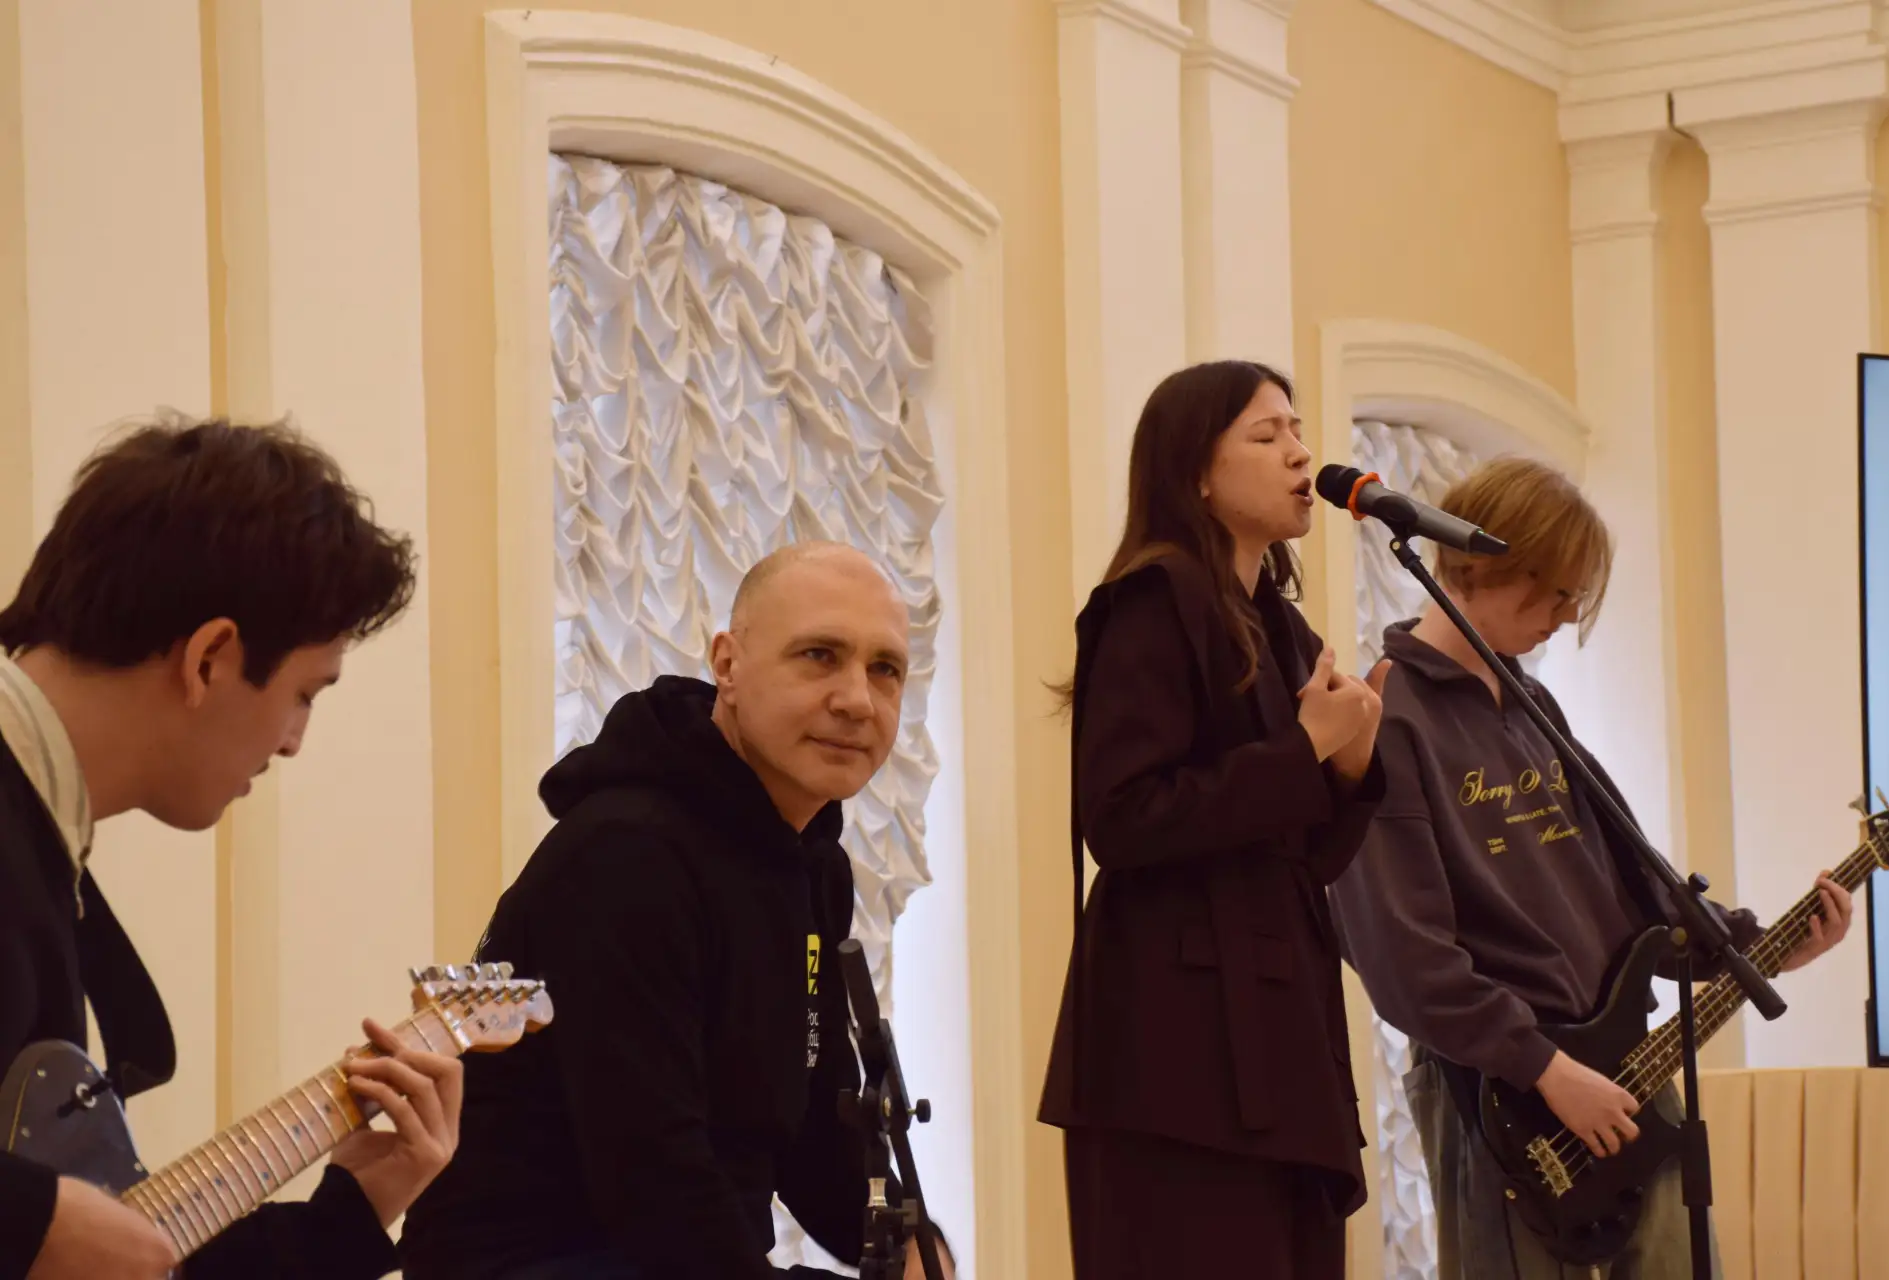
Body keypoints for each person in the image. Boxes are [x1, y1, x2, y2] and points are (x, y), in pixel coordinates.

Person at [1328, 456, 1852, 1280]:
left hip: (1620, 1062)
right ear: (1485, 564)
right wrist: (1543, 1067)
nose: (1568, 617)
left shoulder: (1532, 707)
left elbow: (1631, 890)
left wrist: (1760, 948)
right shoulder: (1390, 716)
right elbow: (1402, 956)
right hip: (1501, 1088)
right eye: (1556, 592)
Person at [399, 541, 952, 1280]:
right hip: (538, 1258)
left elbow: (814, 1123)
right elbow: (650, 1175)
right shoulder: (626, 854)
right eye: (820, 655)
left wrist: (916, 1250)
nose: (858, 699)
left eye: (885, 669)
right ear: (728, 664)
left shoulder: (813, 865)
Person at [0, 417, 465, 1280]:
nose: (292, 742)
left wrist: (351, 1213)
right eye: (304, 694)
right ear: (211, 657)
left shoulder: (42, 849)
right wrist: (26, 1221)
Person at [1036, 360, 1390, 1279]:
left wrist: (1351, 769)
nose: (1300, 453)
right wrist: (1304, 750)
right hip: (1175, 1058)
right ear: (1195, 471)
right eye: (1267, 435)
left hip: (1281, 1044)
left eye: (1299, 431)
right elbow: (1123, 819)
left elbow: (1303, 861)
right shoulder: (1153, 600)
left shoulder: (1283, 629)